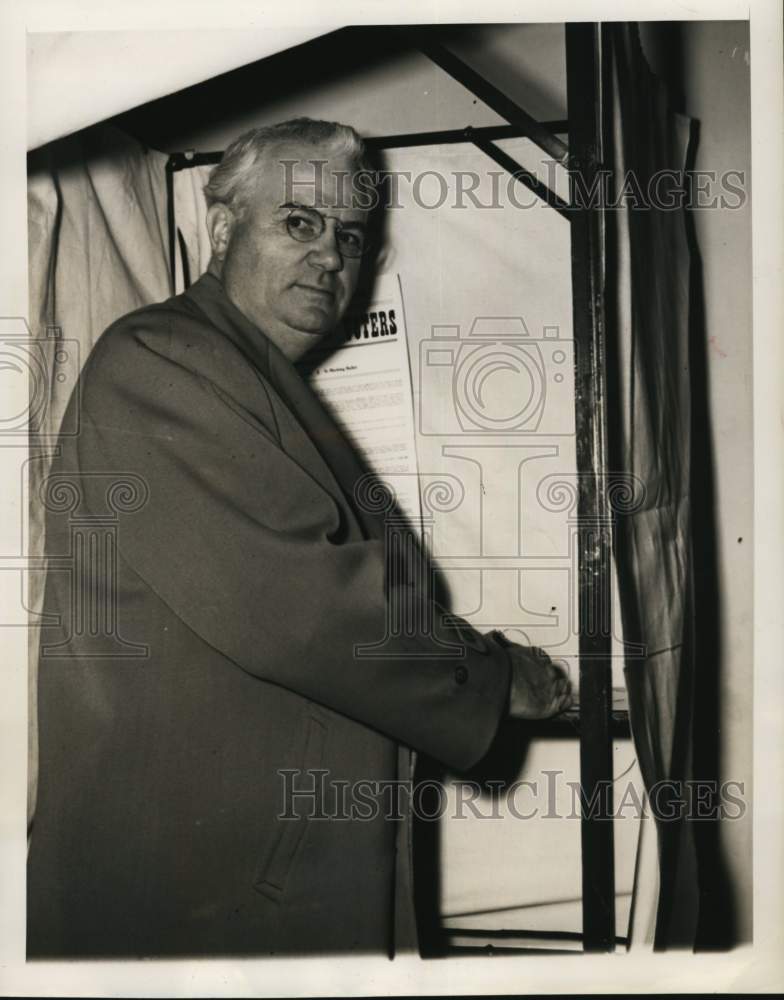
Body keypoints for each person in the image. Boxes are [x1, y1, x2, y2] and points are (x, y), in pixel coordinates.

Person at [26, 118, 572, 958]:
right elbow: (309, 610)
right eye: (300, 223)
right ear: (221, 228)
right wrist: (494, 678)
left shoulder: (250, 378)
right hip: (199, 896)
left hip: (250, 882)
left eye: (349, 235)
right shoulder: (165, 358)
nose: (330, 256)